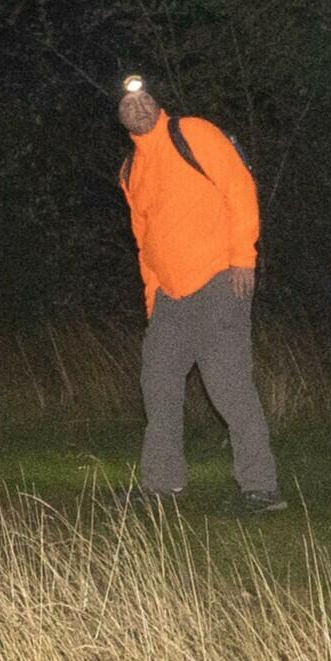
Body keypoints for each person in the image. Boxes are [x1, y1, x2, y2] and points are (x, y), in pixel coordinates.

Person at [116, 76, 283, 512]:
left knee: (227, 384)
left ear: (158, 103)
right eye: (128, 103)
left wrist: (243, 257)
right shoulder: (130, 170)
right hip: (170, 296)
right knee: (157, 383)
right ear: (119, 116)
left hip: (219, 280)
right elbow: (144, 240)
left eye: (145, 98)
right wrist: (152, 298)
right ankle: (161, 484)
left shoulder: (192, 133)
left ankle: (260, 487)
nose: (138, 106)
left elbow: (239, 188)